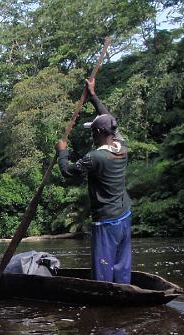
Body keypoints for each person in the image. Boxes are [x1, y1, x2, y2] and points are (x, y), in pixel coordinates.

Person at [56, 77, 132, 284]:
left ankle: (104, 292)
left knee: (102, 266)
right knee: (122, 265)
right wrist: (93, 96)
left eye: (93, 132)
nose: (92, 135)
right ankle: (123, 288)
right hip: (124, 215)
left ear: (98, 132)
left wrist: (62, 152)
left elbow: (67, 171)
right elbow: (109, 119)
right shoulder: (122, 147)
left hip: (106, 220)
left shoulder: (95, 157)